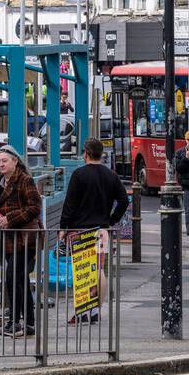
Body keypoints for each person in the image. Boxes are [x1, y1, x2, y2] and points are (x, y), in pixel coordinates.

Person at [60, 137, 129, 323]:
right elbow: (124, 201)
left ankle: (82, 312)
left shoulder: (78, 175)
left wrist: (63, 227)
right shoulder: (111, 175)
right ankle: (95, 310)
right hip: (101, 231)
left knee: (81, 271)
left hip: (79, 230)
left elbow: (70, 204)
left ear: (86, 154)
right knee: (98, 269)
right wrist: (111, 220)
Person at [0, 144, 43, 337]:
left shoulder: (25, 180)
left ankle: (14, 322)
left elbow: (34, 207)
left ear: (15, 161)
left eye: (4, 161)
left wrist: (9, 219)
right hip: (7, 239)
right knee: (19, 279)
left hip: (25, 238)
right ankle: (29, 323)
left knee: (12, 277)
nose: (1, 165)